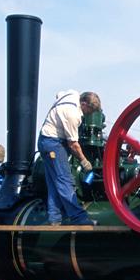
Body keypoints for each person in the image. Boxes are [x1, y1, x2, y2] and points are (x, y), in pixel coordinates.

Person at [37, 90, 100, 226]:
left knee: (54, 182)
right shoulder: (73, 115)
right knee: (65, 180)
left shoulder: (72, 94)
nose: (89, 114)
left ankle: (55, 218)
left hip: (45, 140)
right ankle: (79, 218)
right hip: (53, 143)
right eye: (89, 111)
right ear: (84, 104)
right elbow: (73, 145)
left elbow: (58, 94)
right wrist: (84, 161)